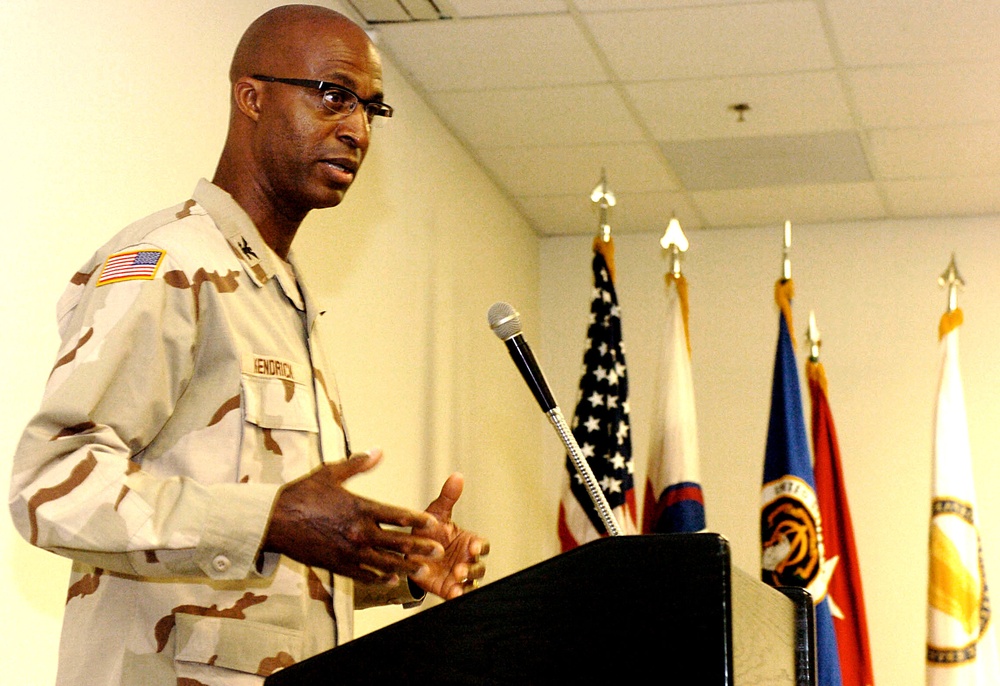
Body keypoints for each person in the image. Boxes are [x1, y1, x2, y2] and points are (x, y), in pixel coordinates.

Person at [8, 5, 488, 685]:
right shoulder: (167, 263)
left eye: (370, 110)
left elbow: (250, 568)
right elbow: (49, 487)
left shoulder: (279, 295)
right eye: (333, 95)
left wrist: (391, 566)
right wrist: (269, 516)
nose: (355, 128)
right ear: (251, 97)